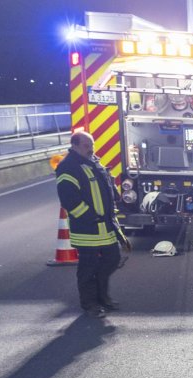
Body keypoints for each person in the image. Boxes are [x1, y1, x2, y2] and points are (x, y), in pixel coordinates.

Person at [55, 129, 122, 318]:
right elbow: (69, 199)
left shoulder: (93, 162)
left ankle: (103, 298)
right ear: (74, 145)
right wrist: (89, 217)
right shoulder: (68, 166)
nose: (91, 149)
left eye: (92, 145)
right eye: (86, 146)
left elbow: (105, 185)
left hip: (105, 226)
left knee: (112, 259)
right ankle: (90, 303)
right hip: (87, 229)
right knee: (87, 268)